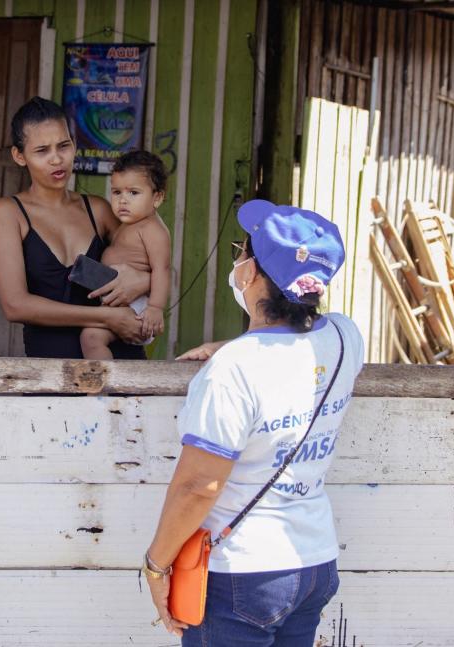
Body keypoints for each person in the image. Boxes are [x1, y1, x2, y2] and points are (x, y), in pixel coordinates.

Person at [142, 200, 365, 646]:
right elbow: (297, 343)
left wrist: (155, 565)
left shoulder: (232, 370)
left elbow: (198, 486)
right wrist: (230, 345)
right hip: (313, 564)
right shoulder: (344, 337)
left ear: (253, 274)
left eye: (240, 251)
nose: (237, 261)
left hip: (242, 575)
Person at [0, 97, 150, 358]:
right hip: (52, 376)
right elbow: (15, 306)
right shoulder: (8, 213)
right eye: (42, 151)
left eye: (64, 145)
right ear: (19, 156)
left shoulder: (97, 210)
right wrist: (105, 317)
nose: (57, 159)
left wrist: (144, 280)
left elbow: (150, 261)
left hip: (119, 361)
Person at [80, 151, 171, 358]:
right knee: (91, 337)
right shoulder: (129, 224)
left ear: (157, 198)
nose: (123, 200)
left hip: (137, 306)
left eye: (133, 193)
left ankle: (103, 387)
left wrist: (155, 308)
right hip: (121, 300)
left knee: (91, 338)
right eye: (117, 192)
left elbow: (162, 269)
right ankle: (104, 385)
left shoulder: (153, 229)